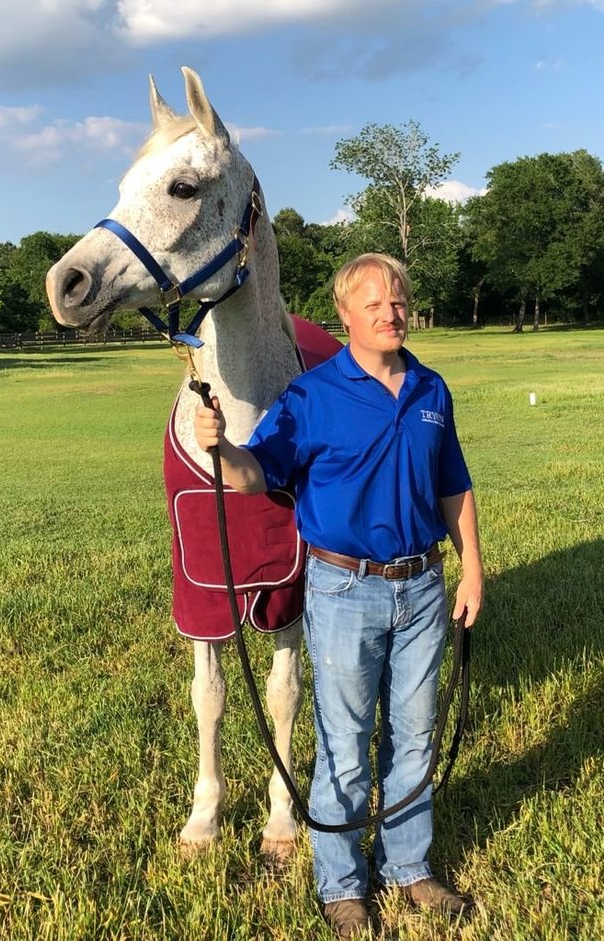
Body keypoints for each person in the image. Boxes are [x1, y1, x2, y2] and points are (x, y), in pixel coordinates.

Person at [194, 253, 484, 938]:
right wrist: (222, 445)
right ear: (345, 316)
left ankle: (408, 867)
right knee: (347, 742)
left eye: (400, 300)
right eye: (375, 303)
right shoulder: (312, 395)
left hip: (422, 584)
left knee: (414, 736)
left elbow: (455, 485)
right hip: (345, 588)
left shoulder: (432, 390)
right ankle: (342, 883)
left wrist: (472, 565)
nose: (391, 312)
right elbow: (253, 475)